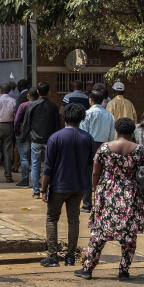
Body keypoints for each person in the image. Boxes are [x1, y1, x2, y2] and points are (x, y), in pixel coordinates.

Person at [75, 118, 144, 280]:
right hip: (131, 193)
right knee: (129, 234)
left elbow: (95, 172)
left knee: (100, 232)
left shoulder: (104, 148)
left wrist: (96, 189)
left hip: (107, 192)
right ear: (131, 132)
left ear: (117, 130)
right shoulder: (140, 150)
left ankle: (88, 269)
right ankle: (123, 271)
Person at [39, 103, 93, 267]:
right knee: (73, 220)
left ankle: (53, 256)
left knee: (52, 218)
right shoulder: (87, 138)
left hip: (58, 185)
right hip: (78, 186)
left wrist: (43, 188)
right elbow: (91, 163)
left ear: (65, 117)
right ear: (81, 118)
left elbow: (48, 167)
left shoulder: (55, 138)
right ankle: (70, 256)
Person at [22, 82, 61, 199]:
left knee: (35, 165)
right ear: (48, 92)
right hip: (50, 140)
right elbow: (57, 125)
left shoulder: (32, 105)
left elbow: (26, 123)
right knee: (49, 166)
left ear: (38, 92)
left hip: (35, 140)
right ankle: (48, 190)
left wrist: (24, 136)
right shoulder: (53, 107)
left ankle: (36, 192)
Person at [79, 90, 115, 210]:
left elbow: (83, 132)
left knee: (88, 173)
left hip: (89, 145)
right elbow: (111, 134)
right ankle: (102, 202)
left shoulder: (87, 113)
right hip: (105, 145)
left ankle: (87, 203)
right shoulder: (109, 115)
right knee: (103, 174)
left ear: (90, 100)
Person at [14, 88, 38, 187]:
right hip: (36, 133)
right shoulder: (39, 105)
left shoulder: (23, 105)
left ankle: (25, 180)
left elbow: (17, 120)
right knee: (35, 157)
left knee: (24, 157)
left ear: (28, 96)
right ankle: (36, 180)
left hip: (23, 133)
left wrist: (16, 131)